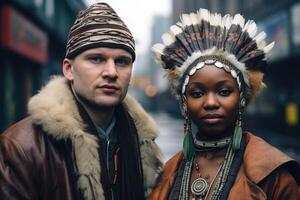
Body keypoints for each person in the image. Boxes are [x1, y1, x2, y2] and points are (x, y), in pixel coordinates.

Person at [0, 2, 163, 200]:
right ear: (68, 69)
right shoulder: (21, 148)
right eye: (96, 59)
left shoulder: (145, 145)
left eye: (122, 61)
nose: (111, 72)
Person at [148, 8, 300, 200]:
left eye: (224, 92)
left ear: (242, 98)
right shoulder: (166, 173)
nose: (211, 103)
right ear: (185, 103)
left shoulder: (275, 176)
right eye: (197, 93)